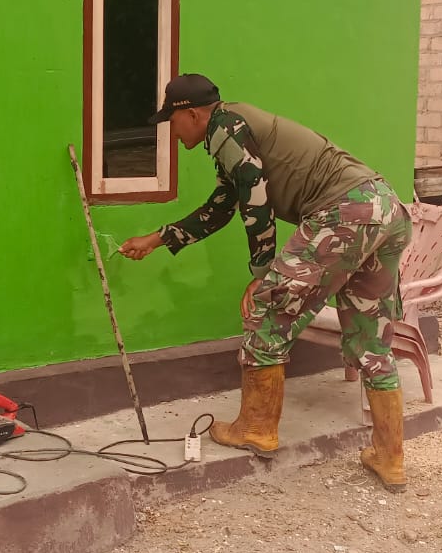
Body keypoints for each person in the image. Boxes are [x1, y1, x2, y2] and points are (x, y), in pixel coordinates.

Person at [119, 75, 413, 490]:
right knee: (370, 338)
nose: (171, 130)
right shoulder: (235, 130)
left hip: (344, 214)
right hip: (384, 208)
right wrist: (158, 238)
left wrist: (261, 275)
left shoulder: (227, 128)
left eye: (172, 121)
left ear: (193, 115)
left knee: (267, 311)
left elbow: (256, 203)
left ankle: (256, 428)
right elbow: (223, 206)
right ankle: (390, 458)